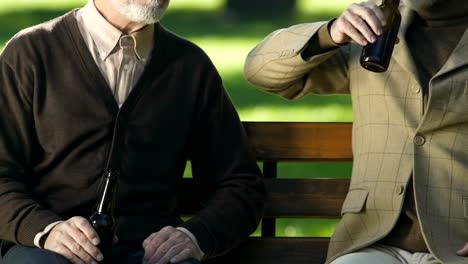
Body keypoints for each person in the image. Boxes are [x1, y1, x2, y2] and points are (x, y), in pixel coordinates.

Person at [0, 0, 266, 263]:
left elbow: (240, 185)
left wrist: (195, 236)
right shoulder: (30, 54)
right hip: (45, 249)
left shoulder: (191, 67)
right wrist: (46, 230)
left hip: (150, 253)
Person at [244, 0, 468, 263]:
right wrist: (331, 33)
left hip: (456, 246)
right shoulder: (375, 30)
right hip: (373, 244)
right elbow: (259, 71)